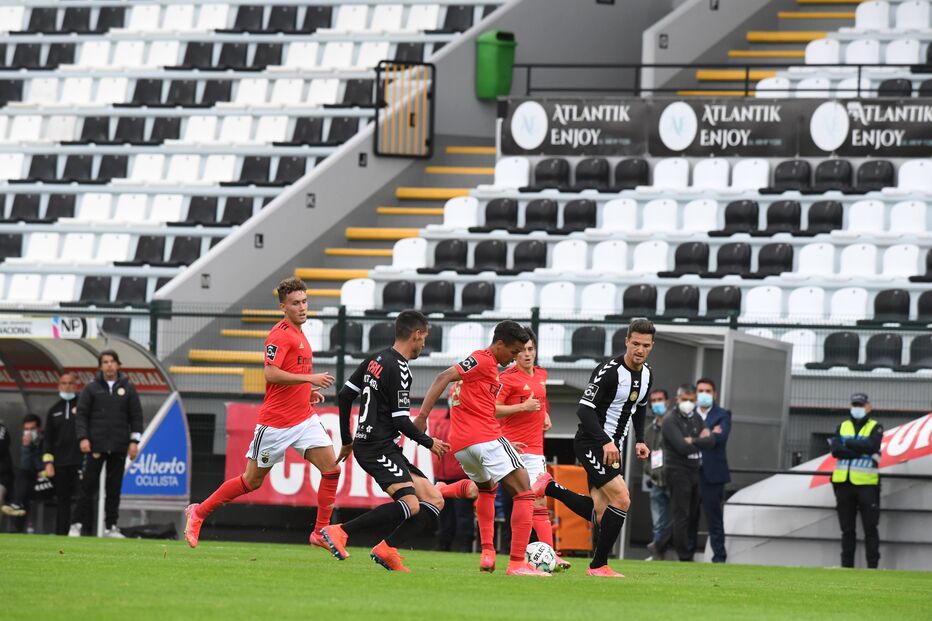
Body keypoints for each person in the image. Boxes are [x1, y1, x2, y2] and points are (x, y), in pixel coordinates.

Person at [184, 277, 339, 548]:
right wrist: (309, 380)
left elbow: (291, 373)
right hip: (276, 425)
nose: (302, 307)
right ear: (283, 307)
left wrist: (306, 392)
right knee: (251, 481)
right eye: (295, 303)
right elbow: (270, 373)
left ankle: (320, 532)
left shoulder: (300, 334)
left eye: (304, 301)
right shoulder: (280, 334)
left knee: (331, 469)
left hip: (303, 418)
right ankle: (198, 512)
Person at [412, 320, 550, 577]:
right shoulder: (483, 360)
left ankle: (488, 552)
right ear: (499, 344)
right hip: (483, 438)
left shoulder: (486, 369)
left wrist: (506, 442)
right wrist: (422, 418)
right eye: (513, 352)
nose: (515, 358)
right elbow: (442, 377)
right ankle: (518, 563)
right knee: (525, 493)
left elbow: (480, 407)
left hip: (464, 445)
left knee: (486, 489)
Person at [321, 311, 451, 572]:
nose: (424, 344)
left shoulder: (375, 360)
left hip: (378, 445)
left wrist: (348, 440)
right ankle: (341, 531)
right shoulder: (400, 368)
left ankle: (387, 549)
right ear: (415, 335)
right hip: (377, 447)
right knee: (411, 505)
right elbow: (402, 421)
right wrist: (429, 442)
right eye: (424, 338)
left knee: (435, 499)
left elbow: (345, 395)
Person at [533, 319, 656, 578]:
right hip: (592, 442)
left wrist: (641, 439)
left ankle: (550, 487)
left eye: (645, 345)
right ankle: (599, 565)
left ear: (651, 345)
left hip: (613, 448)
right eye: (635, 343)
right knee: (622, 499)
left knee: (601, 513)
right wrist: (605, 441)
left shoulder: (647, 374)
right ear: (626, 341)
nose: (640, 350)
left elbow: (640, 407)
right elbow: (584, 409)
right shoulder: (609, 370)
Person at [491, 328, 570, 570]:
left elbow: (540, 398)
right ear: (515, 353)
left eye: (531, 349)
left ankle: (551, 555)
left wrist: (543, 411)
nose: (527, 354)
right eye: (522, 350)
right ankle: (514, 557)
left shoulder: (541, 374)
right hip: (512, 448)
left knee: (539, 503)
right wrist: (522, 407)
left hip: (535, 449)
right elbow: (493, 409)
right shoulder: (507, 378)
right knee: (520, 502)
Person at [71, 350, 143, 538]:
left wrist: (134, 441)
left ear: (118, 364)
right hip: (95, 445)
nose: (109, 365)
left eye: (112, 361)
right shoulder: (92, 388)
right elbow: (81, 416)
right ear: (100, 366)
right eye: (105, 362)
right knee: (87, 486)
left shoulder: (128, 388)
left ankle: (111, 526)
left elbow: (136, 417)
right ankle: (76, 524)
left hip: (119, 445)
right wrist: (83, 437)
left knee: (114, 489)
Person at [656, 384, 715, 562]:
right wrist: (700, 440)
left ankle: (659, 545)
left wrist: (693, 440)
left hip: (694, 469)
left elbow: (711, 441)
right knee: (682, 514)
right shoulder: (670, 420)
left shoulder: (696, 417)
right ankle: (684, 555)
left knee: (690, 513)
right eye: (684, 400)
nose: (688, 403)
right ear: (677, 399)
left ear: (695, 400)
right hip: (677, 470)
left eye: (691, 400)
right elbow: (681, 447)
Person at [829, 392, 883, 569]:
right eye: (855, 405)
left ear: (868, 407)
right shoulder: (842, 426)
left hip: (867, 485)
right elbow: (836, 451)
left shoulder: (876, 427)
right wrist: (859, 449)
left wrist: (848, 443)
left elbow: (872, 446)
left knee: (871, 529)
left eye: (860, 405)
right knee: (847, 530)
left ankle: (872, 568)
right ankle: (847, 568)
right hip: (843, 484)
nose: (857, 408)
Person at [432, 383, 478, 553]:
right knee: (443, 513)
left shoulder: (468, 422)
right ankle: (443, 543)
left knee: (463, 514)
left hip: (461, 475)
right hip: (442, 475)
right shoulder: (440, 422)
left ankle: (465, 545)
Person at [693, 377, 731, 563]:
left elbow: (720, 438)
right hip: (690, 472)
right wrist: (708, 433)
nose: (704, 394)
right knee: (689, 516)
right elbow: (682, 438)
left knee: (714, 517)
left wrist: (696, 436)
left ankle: (719, 556)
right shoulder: (688, 413)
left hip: (712, 474)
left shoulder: (723, 414)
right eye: (701, 390)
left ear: (714, 394)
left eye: (708, 391)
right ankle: (686, 555)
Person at [41, 373, 83, 536]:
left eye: (70, 383)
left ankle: (80, 529)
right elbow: (48, 440)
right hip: (60, 463)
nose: (67, 386)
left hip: (80, 461)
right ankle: (61, 533)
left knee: (82, 498)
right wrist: (48, 463)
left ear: (76, 385)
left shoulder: (83, 407)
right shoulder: (53, 411)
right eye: (64, 383)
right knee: (62, 500)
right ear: (59, 386)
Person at [2, 414, 44, 527]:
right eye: (26, 429)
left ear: (39, 429)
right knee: (22, 483)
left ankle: (16, 504)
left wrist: (33, 447)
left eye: (32, 429)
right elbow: (24, 466)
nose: (29, 432)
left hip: (47, 482)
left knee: (22, 489)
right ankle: (17, 528)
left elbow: (40, 465)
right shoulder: (21, 442)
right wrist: (26, 446)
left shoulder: (46, 442)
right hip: (29, 483)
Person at [644, 388, 671, 561]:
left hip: (674, 479)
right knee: (658, 520)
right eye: (653, 401)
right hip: (656, 480)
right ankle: (657, 553)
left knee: (676, 518)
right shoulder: (648, 430)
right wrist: (651, 471)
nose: (657, 403)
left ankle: (663, 547)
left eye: (660, 399)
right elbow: (645, 456)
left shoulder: (675, 423)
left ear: (667, 402)